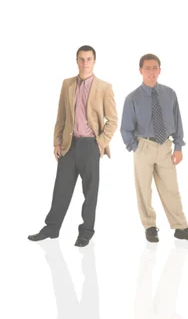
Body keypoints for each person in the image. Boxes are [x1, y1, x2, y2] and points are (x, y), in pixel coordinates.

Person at [28, 45, 118, 247]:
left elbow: (112, 120)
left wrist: (99, 144)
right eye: (81, 59)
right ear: (76, 61)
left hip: (90, 145)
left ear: (94, 61)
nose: (85, 63)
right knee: (61, 189)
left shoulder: (104, 87)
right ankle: (51, 228)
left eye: (89, 59)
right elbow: (61, 115)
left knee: (90, 192)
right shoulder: (67, 84)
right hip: (69, 145)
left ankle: (86, 231)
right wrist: (56, 142)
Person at [121, 53, 188, 244]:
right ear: (140, 70)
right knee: (144, 189)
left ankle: (180, 227)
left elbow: (177, 121)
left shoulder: (169, 94)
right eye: (147, 68)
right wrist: (135, 147)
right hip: (143, 146)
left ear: (160, 70)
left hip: (165, 146)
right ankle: (150, 226)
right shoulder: (132, 98)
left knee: (171, 188)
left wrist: (178, 147)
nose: (151, 72)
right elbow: (126, 127)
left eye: (155, 68)